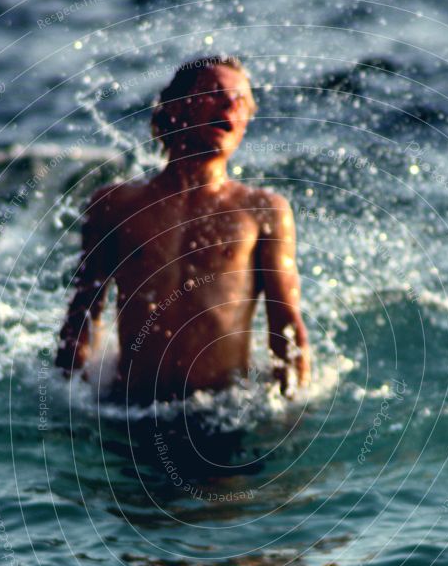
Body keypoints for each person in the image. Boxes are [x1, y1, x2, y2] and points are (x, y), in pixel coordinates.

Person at [55, 55, 310, 404]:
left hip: (222, 413)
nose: (229, 106)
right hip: (129, 410)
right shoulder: (115, 206)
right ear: (174, 108)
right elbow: (83, 314)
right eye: (215, 93)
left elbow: (286, 326)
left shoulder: (261, 211)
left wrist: (292, 415)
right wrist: (65, 408)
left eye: (240, 101)